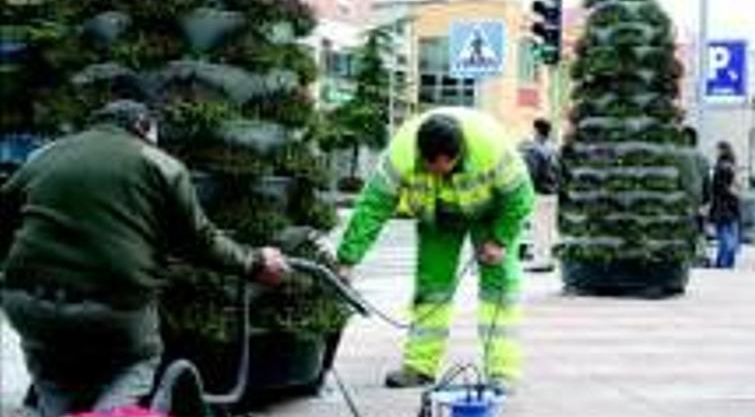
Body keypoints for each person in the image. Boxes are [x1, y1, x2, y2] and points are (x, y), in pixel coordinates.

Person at [0, 100, 288, 417]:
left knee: (54, 380)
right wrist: (256, 262)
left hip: (27, 303)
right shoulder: (158, 163)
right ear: (142, 125)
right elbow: (200, 241)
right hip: (113, 308)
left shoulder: (44, 156)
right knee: (138, 360)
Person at [335, 107, 535, 393]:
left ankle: (501, 373)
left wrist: (500, 240)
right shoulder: (400, 154)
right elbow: (373, 207)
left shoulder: (490, 145)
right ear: (420, 152)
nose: (441, 170)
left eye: (448, 164)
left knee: (499, 289)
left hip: (492, 215)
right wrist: (347, 259)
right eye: (433, 166)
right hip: (438, 218)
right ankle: (419, 366)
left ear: (459, 152)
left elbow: (521, 196)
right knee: (431, 290)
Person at [518, 118, 560, 272]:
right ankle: (547, 259)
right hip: (553, 193)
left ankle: (540, 261)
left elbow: (532, 174)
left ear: (536, 130)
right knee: (548, 228)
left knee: (539, 228)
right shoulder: (554, 149)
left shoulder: (534, 150)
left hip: (540, 193)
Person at [675, 127, 712, 266]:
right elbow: (707, 182)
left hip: (679, 200)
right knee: (698, 231)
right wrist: (707, 202)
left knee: (680, 230)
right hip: (698, 200)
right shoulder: (702, 158)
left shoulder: (676, 155)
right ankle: (697, 257)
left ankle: (683, 257)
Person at [709, 141, 741, 269]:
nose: (715, 152)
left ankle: (722, 263)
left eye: (717, 149)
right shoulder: (733, 166)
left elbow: (718, 188)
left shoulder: (721, 167)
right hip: (733, 206)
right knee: (730, 233)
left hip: (722, 206)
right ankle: (727, 262)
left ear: (722, 151)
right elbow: (736, 187)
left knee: (724, 236)